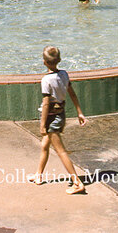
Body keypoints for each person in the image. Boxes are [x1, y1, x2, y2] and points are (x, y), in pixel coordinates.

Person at [30, 45, 87, 194]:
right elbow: (73, 95)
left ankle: (77, 183)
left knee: (61, 151)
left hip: (51, 118)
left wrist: (42, 125)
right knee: (44, 146)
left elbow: (46, 104)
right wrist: (79, 112)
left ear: (44, 62)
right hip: (61, 115)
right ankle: (39, 175)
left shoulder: (46, 80)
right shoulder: (64, 75)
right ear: (59, 60)